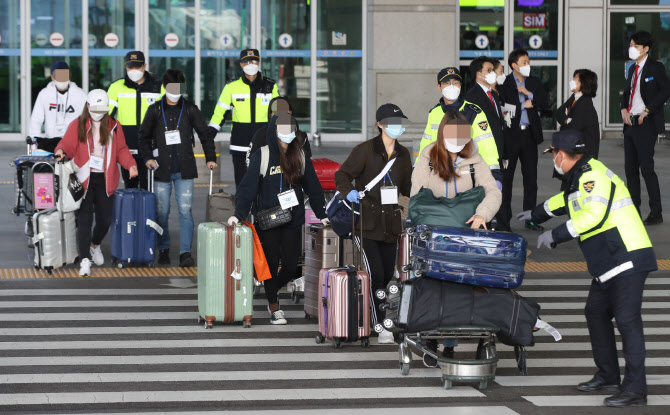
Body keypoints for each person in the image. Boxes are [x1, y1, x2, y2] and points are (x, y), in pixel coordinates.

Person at [517, 129, 656, 408]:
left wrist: (555, 235)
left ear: (561, 154)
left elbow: (593, 215)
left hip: (627, 256)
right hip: (609, 261)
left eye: (553, 154)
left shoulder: (592, 176)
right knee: (595, 312)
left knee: (627, 321)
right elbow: (567, 202)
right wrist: (536, 213)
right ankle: (608, 376)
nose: (553, 160)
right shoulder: (580, 176)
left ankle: (635, 389)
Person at [411, 110, 502, 365]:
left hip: (465, 235)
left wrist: (483, 214)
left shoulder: (474, 159)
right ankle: (430, 339)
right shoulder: (429, 156)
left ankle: (449, 342)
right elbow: (417, 194)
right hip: (434, 236)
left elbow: (493, 192)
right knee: (433, 285)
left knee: (459, 287)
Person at [229, 114, 327, 325]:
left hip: (293, 218)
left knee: (292, 266)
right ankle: (274, 306)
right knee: (271, 265)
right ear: (274, 131)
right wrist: (239, 214)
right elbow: (247, 189)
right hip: (268, 220)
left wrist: (323, 213)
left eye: (291, 127)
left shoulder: (299, 155)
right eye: (283, 127)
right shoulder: (262, 155)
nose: (288, 131)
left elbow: (313, 187)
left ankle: (270, 288)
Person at [335, 103, 413, 345]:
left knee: (388, 274)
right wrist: (349, 192)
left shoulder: (404, 154)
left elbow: (408, 187)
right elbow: (342, 175)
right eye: (391, 122)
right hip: (366, 223)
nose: (397, 127)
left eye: (400, 123)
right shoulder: (365, 150)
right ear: (380, 124)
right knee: (374, 274)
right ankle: (380, 325)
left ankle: (375, 317)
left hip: (391, 223)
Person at [54, 89, 138, 277]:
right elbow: (66, 145)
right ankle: (85, 260)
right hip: (84, 178)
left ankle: (95, 244)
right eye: (95, 108)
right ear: (87, 106)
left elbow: (122, 150)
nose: (99, 112)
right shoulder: (78, 125)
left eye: (102, 109)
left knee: (105, 219)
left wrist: (130, 164)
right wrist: (61, 151)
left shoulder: (114, 126)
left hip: (105, 179)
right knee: (84, 220)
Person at [138, 69, 217, 267]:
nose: (175, 91)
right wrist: (147, 158)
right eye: (172, 88)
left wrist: (210, 158)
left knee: (185, 211)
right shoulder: (155, 110)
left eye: (179, 88)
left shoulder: (190, 109)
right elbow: (143, 137)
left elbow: (204, 134)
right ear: (164, 88)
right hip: (161, 168)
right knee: (162, 211)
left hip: (185, 169)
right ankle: (163, 249)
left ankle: (185, 253)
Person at [418, 67, 502, 186]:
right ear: (439, 87)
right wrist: (418, 169)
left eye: (455, 82)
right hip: (440, 176)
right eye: (447, 83)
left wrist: (494, 175)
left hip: (467, 175)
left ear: (460, 85)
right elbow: (426, 145)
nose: (452, 86)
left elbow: (487, 146)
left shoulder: (474, 112)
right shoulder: (434, 113)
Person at [209, 48, 279, 188]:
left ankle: (261, 210)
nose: (251, 64)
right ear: (241, 64)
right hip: (240, 143)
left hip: (264, 143)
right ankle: (242, 210)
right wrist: (209, 133)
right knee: (242, 184)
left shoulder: (270, 86)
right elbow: (220, 113)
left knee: (265, 183)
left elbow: (278, 113)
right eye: (247, 62)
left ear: (259, 62)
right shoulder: (231, 87)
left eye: (254, 61)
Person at [620, 30, 670, 226]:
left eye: (635, 46)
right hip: (630, 123)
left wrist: (648, 110)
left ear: (646, 48)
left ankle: (655, 212)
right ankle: (634, 209)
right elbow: (626, 93)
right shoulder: (632, 69)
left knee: (647, 169)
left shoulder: (655, 68)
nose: (631, 49)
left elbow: (666, 91)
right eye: (631, 45)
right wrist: (623, 109)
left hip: (645, 124)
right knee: (630, 170)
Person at [498, 49, 549, 232]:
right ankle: (504, 221)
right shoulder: (505, 84)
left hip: (529, 136)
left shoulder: (533, 82)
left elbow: (545, 102)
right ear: (514, 65)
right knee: (507, 179)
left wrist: (529, 93)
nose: (528, 65)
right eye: (524, 62)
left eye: (528, 61)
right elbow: (505, 111)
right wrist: (523, 105)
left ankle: (531, 218)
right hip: (510, 137)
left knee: (531, 179)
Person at [107, 51, 164, 190]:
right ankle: (131, 212)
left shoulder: (159, 85)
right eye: (130, 67)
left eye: (137, 67)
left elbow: (176, 105)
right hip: (127, 146)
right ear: (126, 67)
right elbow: (104, 115)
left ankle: (148, 212)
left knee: (149, 187)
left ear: (144, 66)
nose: (133, 71)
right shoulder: (116, 87)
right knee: (130, 186)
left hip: (151, 146)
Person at [29, 61, 87, 152]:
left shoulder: (80, 95)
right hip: (50, 140)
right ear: (52, 77)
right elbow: (36, 118)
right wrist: (34, 140)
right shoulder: (44, 94)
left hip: (73, 141)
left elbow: (86, 119)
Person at [246, 96, 312, 167]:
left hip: (294, 176)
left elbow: (307, 164)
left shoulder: (301, 136)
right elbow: (250, 162)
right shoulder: (261, 135)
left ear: (290, 112)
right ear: (271, 115)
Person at [556, 69, 600, 159]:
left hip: (583, 155)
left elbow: (574, 128)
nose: (572, 80)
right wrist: (567, 121)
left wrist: (562, 127)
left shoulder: (585, 104)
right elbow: (559, 112)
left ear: (583, 83)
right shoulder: (574, 97)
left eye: (575, 78)